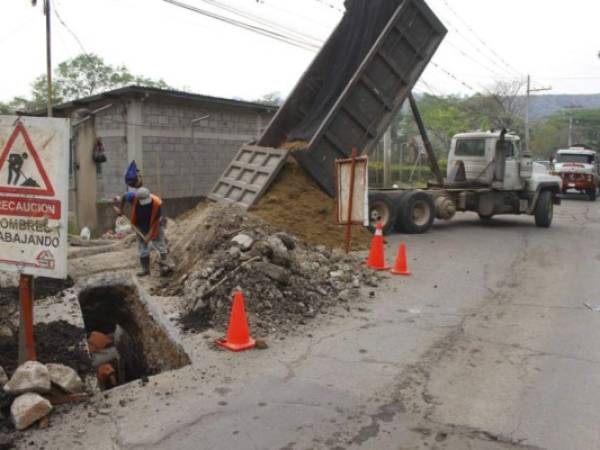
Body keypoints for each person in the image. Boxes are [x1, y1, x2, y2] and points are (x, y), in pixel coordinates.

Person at [115, 187, 171, 277]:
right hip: (140, 225)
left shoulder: (157, 203)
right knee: (142, 247)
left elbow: (156, 220)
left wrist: (149, 235)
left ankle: (164, 268)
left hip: (155, 224)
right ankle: (145, 270)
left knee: (160, 245)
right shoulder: (133, 196)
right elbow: (124, 196)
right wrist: (121, 209)